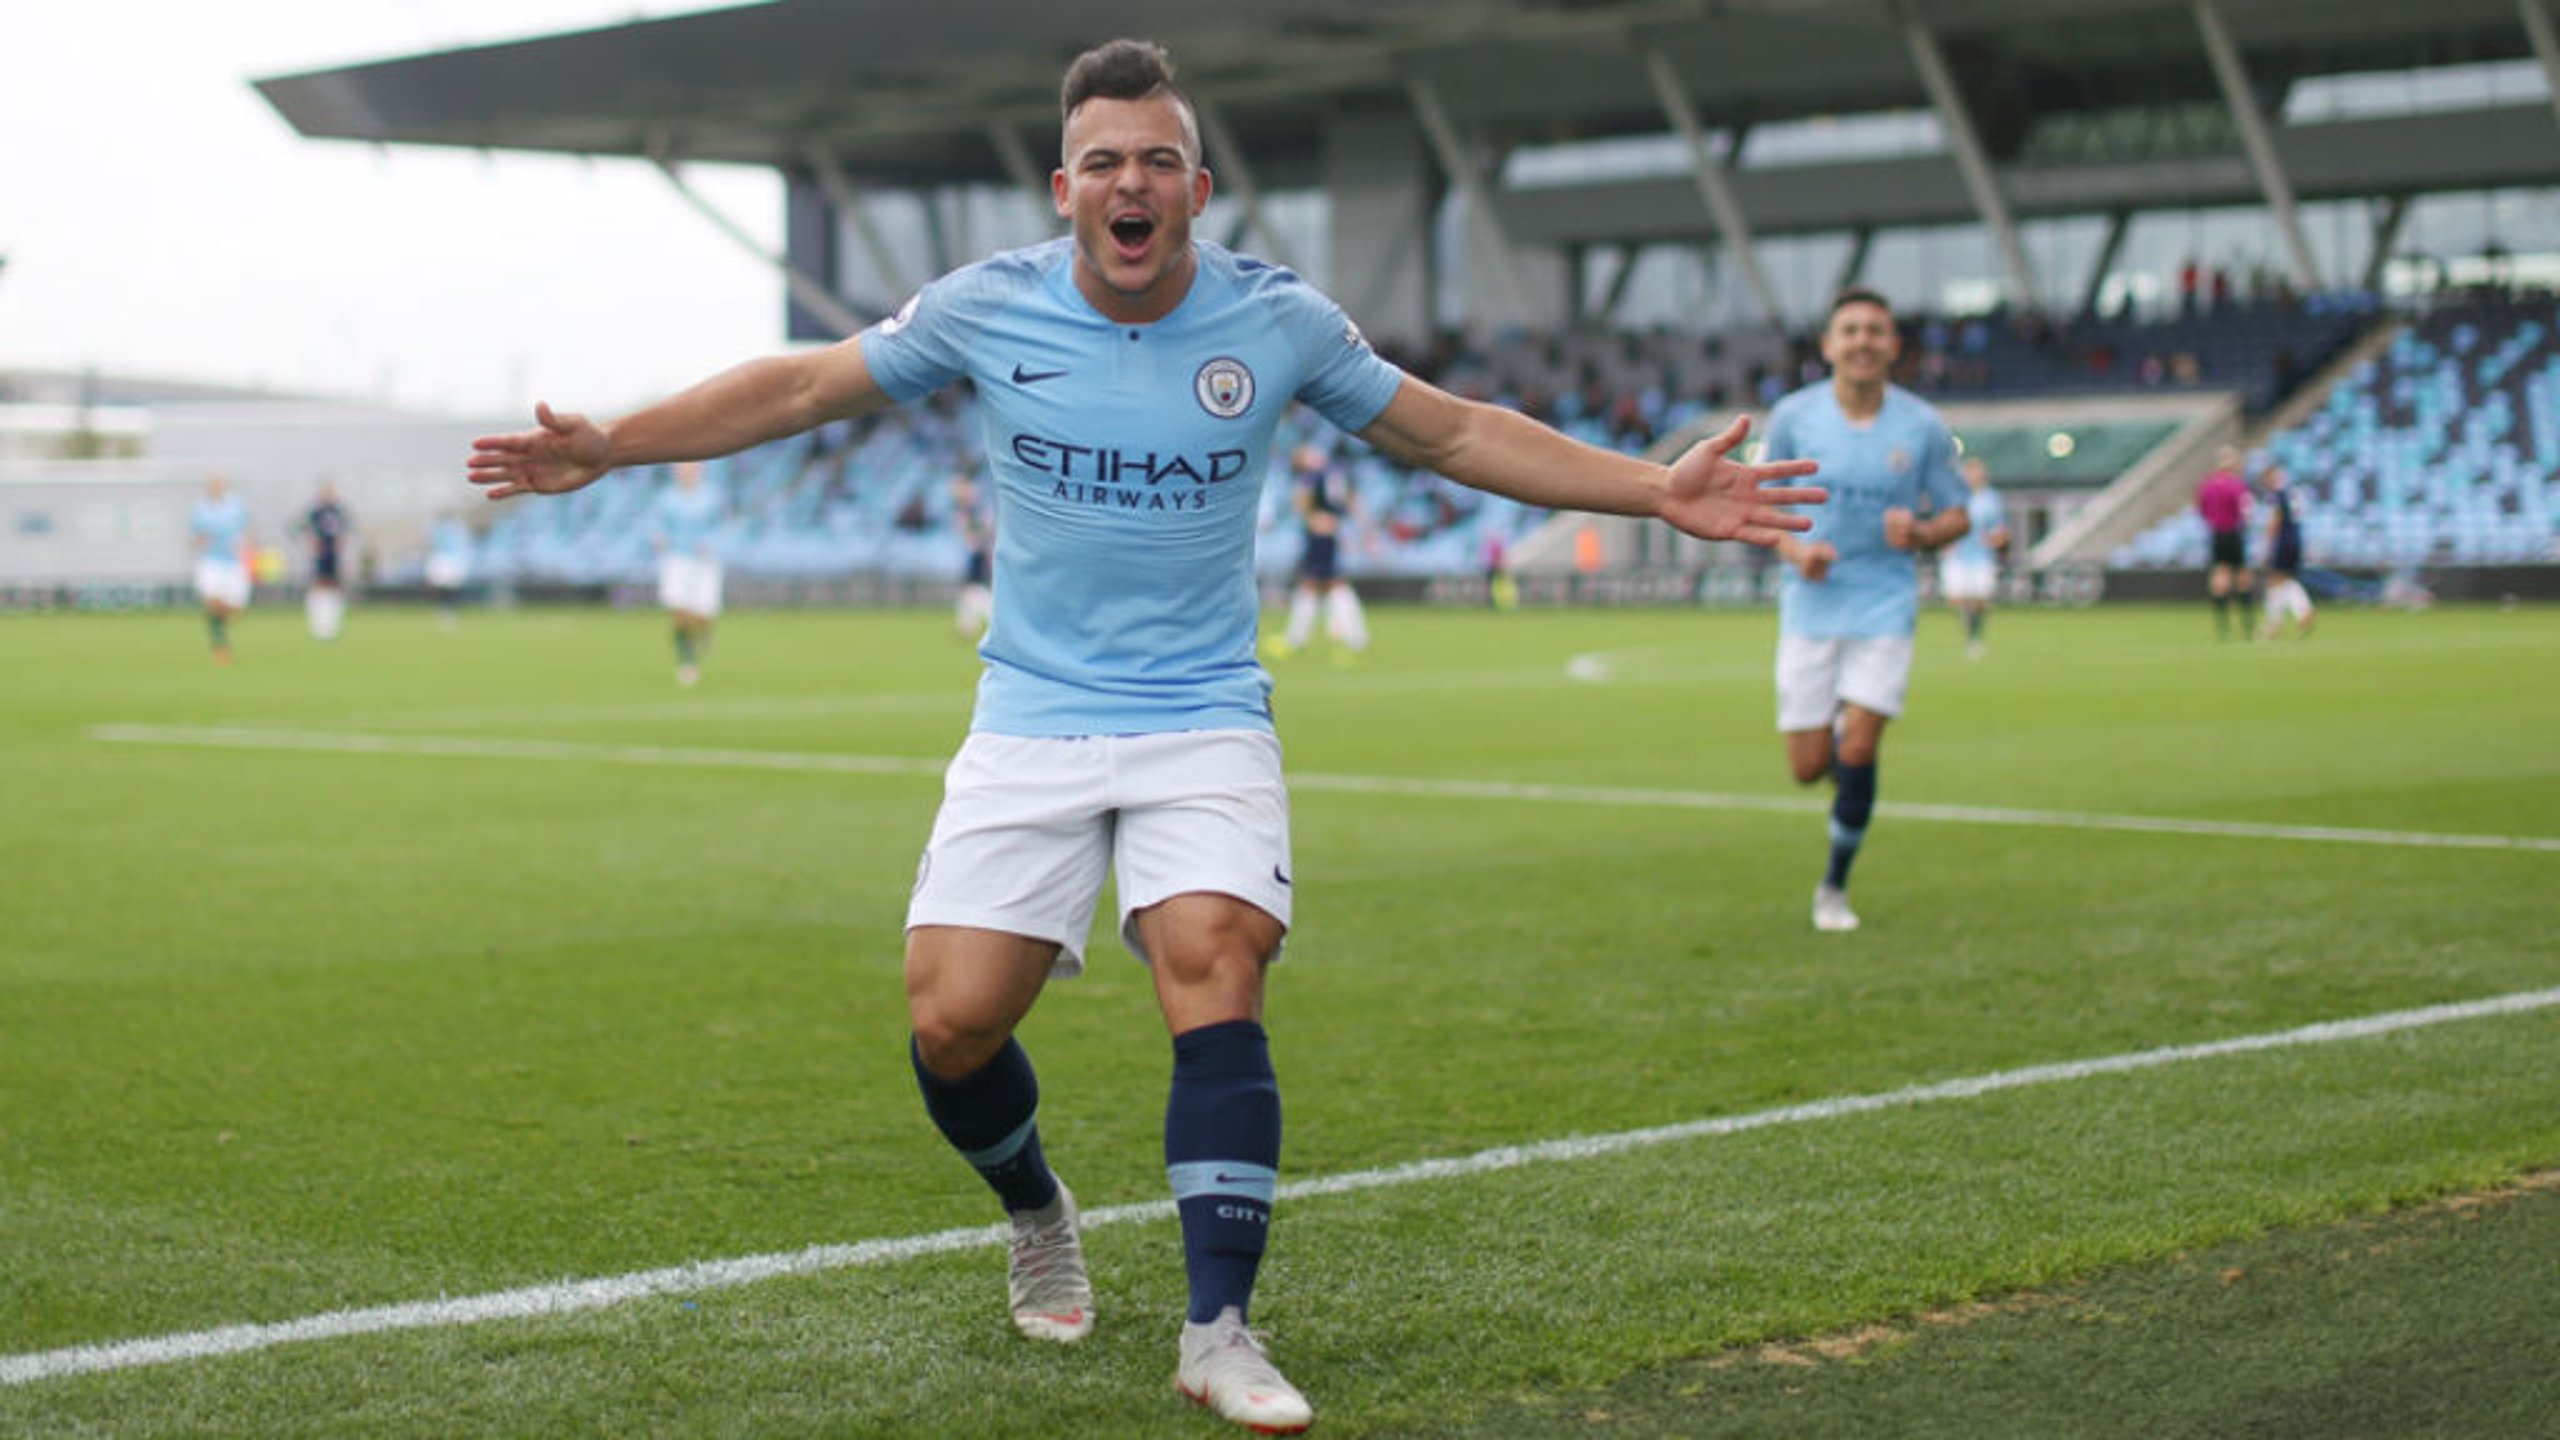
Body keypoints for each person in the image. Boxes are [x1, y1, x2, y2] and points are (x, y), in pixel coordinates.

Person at [466, 38, 1820, 1435]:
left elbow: (1452, 433)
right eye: (1105, 160)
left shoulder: (1278, 320)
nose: (1131, 183)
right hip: (1031, 717)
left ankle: (1219, 1327)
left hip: (1201, 716)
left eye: (1157, 162)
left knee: (1213, 962)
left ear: (1197, 187)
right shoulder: (986, 307)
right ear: (1066, 188)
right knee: (951, 1024)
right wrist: (616, 443)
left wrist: (1657, 490)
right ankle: (1036, 1205)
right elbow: (808, 387)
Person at [1762, 286, 1970, 935]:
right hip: (1812, 604)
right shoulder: (1793, 417)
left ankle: (1834, 886)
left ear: (1894, 346)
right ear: (1828, 345)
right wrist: (1796, 554)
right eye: (1849, 330)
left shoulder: (1922, 427)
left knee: (1861, 740)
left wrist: (1924, 535)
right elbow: (1763, 509)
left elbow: (1958, 512)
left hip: (1886, 603)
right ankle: (1846, 760)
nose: (1862, 342)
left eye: (1875, 331)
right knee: (1807, 767)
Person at [1264, 444, 1367, 662]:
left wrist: (1309, 516)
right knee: (1328, 583)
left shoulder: (1312, 476)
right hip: (1330, 531)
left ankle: (1299, 640)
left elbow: (1301, 501)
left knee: (1318, 582)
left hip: (1320, 531)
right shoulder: (1335, 472)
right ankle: (1351, 636)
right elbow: (1350, 500)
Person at [650, 461, 724, 686]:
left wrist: (712, 542)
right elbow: (659, 525)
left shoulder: (712, 497)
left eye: (690, 468)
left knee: (702, 614)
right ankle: (687, 661)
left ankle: (704, 633)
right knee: (678, 609)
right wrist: (659, 537)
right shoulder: (666, 498)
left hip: (704, 560)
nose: (685, 472)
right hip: (677, 558)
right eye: (681, 468)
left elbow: (720, 525)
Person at [1937, 454, 2008, 659]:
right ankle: (1968, 625)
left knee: (1980, 601)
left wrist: (1996, 539)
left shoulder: (1991, 499)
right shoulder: (1955, 497)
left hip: (1981, 556)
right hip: (1958, 555)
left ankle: (1974, 638)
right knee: (1956, 599)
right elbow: (1943, 521)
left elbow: (1998, 527)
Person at [188, 474, 252, 664]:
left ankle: (222, 624)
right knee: (211, 602)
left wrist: (247, 547)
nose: (216, 487)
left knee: (235, 609)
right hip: (211, 562)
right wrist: (201, 540)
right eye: (213, 484)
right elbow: (194, 537)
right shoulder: (200, 509)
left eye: (220, 484)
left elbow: (247, 531)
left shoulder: (236, 506)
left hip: (233, 563)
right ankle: (220, 645)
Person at [2196, 446, 2254, 640]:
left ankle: (2223, 626)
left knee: (2220, 575)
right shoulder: (2238, 485)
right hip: (2234, 532)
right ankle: (2247, 624)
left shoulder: (2208, 484)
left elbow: (2202, 509)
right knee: (2242, 576)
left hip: (2217, 533)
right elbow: (2247, 512)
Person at [2258, 463, 2316, 640]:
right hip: (2296, 538)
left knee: (2275, 581)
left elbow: (2275, 519)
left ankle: (2275, 623)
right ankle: (2302, 611)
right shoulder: (2294, 491)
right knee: (2282, 580)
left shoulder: (2277, 495)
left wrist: (2266, 545)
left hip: (2283, 540)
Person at [297, 480, 353, 641]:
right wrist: (311, 543)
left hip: (334, 556)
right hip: (320, 556)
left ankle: (332, 624)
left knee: (335, 587)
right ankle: (318, 624)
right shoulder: (315, 512)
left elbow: (346, 531)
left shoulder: (339, 511)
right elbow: (300, 528)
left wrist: (341, 545)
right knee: (319, 586)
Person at [951, 471, 995, 642]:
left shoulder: (975, 510)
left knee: (973, 590)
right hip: (974, 552)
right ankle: (967, 627)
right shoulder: (968, 510)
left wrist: (977, 540)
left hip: (978, 553)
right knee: (968, 592)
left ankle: (991, 619)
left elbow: (985, 530)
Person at [425, 511, 475, 629]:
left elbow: (464, 544)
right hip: (442, 560)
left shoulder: (458, 528)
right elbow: (433, 543)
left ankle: (450, 610)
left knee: (452, 587)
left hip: (453, 560)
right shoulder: (438, 528)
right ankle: (444, 609)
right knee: (440, 587)